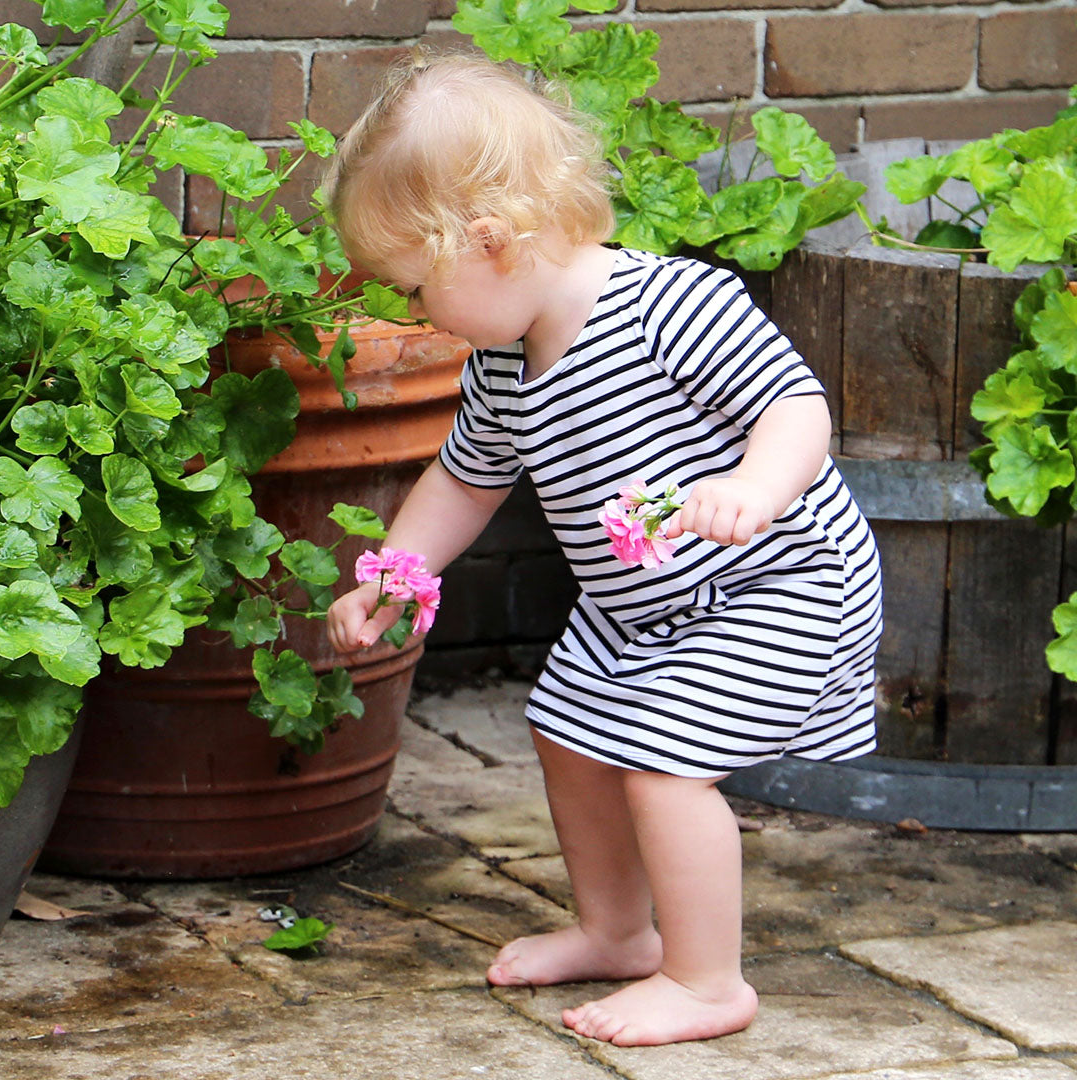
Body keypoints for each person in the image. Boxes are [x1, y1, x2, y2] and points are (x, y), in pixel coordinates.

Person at [323, 52, 883, 1048]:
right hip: (642, 602)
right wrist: (396, 573)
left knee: (664, 765)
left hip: (777, 577)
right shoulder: (504, 363)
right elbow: (465, 478)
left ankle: (707, 982)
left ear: (486, 242)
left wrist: (755, 487)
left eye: (415, 287)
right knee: (569, 729)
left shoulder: (674, 306)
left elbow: (797, 407)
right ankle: (616, 931)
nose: (413, 314)